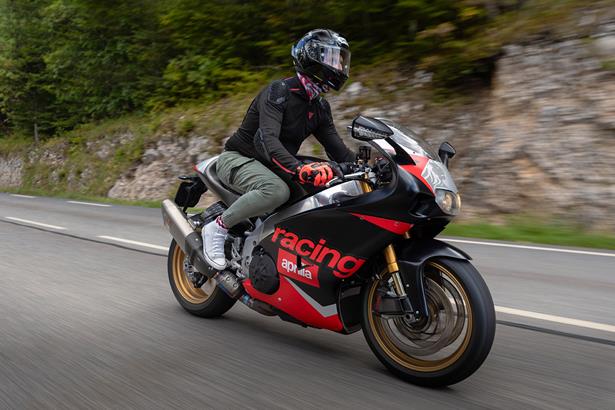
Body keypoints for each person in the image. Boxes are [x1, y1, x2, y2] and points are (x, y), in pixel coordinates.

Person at [202, 28, 355, 270]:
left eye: (341, 60)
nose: (339, 66)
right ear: (311, 58)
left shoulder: (320, 107)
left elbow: (339, 151)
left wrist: (374, 166)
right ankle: (218, 227)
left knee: (321, 196)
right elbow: (268, 141)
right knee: (276, 191)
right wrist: (300, 169)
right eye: (333, 59)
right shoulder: (279, 91)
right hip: (239, 158)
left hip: (273, 166)